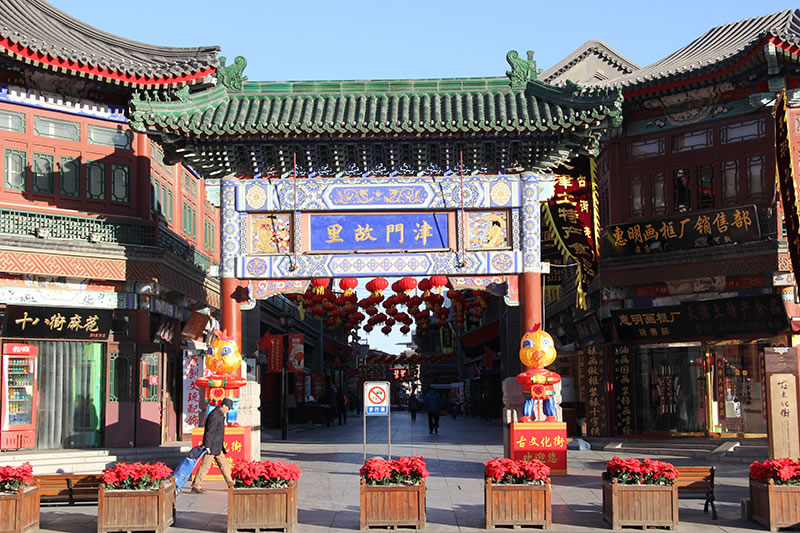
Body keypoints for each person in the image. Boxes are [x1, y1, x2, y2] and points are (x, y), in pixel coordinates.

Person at [191, 397, 234, 493]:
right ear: (223, 405)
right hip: (211, 446)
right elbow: (209, 432)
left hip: (217, 446)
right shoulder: (215, 415)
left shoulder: (220, 414)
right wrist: (207, 446)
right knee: (205, 466)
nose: (228, 411)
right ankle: (196, 485)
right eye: (228, 408)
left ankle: (231, 483)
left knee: (224, 465)